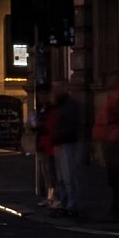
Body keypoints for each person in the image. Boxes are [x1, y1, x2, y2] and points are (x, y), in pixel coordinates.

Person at [96, 81, 119, 222]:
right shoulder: (114, 100)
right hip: (111, 141)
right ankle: (117, 210)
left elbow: (118, 120)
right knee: (114, 181)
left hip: (117, 143)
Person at [47, 87, 84, 217]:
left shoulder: (70, 106)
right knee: (61, 177)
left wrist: (59, 135)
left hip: (67, 143)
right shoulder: (59, 106)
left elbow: (73, 126)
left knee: (69, 176)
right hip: (59, 143)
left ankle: (72, 205)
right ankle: (64, 202)